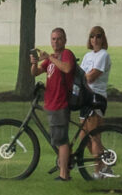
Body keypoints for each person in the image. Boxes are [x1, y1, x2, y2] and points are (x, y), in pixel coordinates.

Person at [30, 27, 84, 180]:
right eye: (53, 39)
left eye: (59, 38)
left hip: (60, 103)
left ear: (64, 40)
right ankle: (65, 167)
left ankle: (64, 175)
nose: (56, 42)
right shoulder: (52, 58)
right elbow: (35, 72)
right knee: (59, 139)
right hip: (51, 103)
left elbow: (67, 68)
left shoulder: (66, 54)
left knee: (61, 141)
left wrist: (49, 57)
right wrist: (34, 63)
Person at [74, 25, 113, 175]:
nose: (95, 39)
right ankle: (104, 164)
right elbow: (81, 76)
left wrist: (82, 76)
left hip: (96, 97)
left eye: (98, 36)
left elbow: (90, 77)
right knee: (84, 137)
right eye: (92, 36)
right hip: (85, 97)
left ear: (103, 39)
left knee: (94, 136)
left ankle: (98, 172)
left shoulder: (103, 55)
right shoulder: (87, 56)